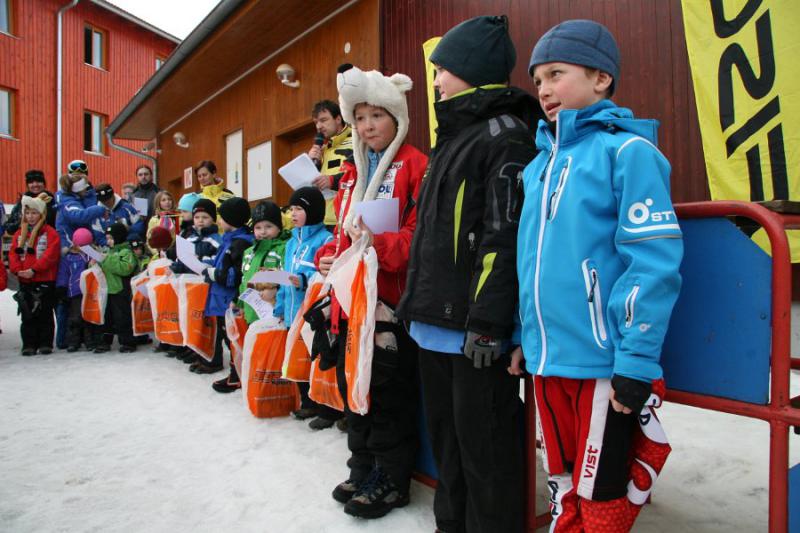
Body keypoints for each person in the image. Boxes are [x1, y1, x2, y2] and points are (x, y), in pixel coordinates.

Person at [516, 20, 684, 532]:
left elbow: (653, 262)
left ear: (601, 79)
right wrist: (524, 336)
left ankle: (641, 463)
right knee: (561, 481)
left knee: (601, 490)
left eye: (556, 73)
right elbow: (531, 263)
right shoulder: (537, 167)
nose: (543, 88)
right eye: (538, 78)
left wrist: (635, 362)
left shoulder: (628, 154)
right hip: (548, 360)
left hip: (603, 363)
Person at [394, 16, 540, 533]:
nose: (435, 81)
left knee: (487, 454)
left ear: (474, 71)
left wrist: (489, 323)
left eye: (443, 71)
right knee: (449, 448)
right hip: (434, 325)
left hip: (473, 333)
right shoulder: (453, 139)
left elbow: (504, 239)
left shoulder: (506, 138)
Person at [315, 65, 427, 519]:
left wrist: (377, 244)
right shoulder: (350, 172)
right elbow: (342, 234)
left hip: (389, 305)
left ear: (397, 117)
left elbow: (419, 240)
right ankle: (362, 465)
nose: (366, 126)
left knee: (385, 394)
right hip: (349, 303)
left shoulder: (416, 164)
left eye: (376, 116)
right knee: (354, 390)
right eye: (359, 117)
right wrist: (327, 254)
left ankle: (392, 478)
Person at [212, 200, 290, 393]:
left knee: (272, 350)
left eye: (269, 226)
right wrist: (237, 301)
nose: (263, 231)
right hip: (250, 311)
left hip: (273, 312)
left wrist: (275, 293)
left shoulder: (284, 248)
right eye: (258, 227)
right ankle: (251, 380)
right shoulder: (249, 252)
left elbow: (288, 278)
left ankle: (275, 387)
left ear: (278, 227)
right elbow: (243, 280)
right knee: (251, 347)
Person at [273, 187, 332, 424]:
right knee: (298, 358)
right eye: (290, 209)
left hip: (312, 314)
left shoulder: (325, 239)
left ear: (313, 210)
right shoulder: (290, 243)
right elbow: (284, 279)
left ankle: (325, 407)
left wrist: (303, 280)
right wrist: (279, 307)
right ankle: (307, 403)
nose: (292, 214)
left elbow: (325, 276)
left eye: (299, 209)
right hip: (291, 313)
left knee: (317, 359)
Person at [199, 197, 254, 375]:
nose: (219, 221)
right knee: (226, 337)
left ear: (231, 219)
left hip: (229, 299)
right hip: (220, 297)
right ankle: (235, 371)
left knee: (233, 338)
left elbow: (235, 275)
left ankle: (237, 374)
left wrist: (215, 274)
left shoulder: (241, 243)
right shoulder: (229, 240)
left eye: (221, 217)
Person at [169, 199, 223, 365]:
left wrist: (202, 264)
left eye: (205, 217)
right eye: (197, 216)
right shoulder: (190, 237)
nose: (200, 220)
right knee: (193, 319)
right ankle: (196, 350)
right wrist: (175, 267)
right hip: (191, 286)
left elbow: (215, 261)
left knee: (207, 323)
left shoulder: (215, 239)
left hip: (206, 285)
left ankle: (211, 357)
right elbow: (183, 258)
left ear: (213, 219)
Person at [9, 193, 60, 355]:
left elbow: (50, 255)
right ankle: (29, 344)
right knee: (27, 314)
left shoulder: (50, 233)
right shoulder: (19, 234)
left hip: (44, 279)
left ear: (42, 214)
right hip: (25, 279)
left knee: (45, 313)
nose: (31, 217)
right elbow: (13, 254)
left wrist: (34, 269)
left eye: (34, 213)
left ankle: (45, 343)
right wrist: (18, 270)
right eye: (28, 213)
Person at [92, 223, 137, 353]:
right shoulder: (107, 252)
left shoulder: (126, 252)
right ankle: (105, 341)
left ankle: (128, 341)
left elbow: (124, 269)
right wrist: (94, 263)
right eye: (107, 238)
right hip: (107, 290)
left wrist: (106, 259)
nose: (108, 241)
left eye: (111, 238)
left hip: (120, 290)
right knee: (107, 318)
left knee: (123, 317)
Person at [308, 100, 353, 227]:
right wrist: (312, 163)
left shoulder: (356, 141)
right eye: (316, 122)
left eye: (323, 120)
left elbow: (361, 174)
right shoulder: (323, 148)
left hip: (349, 217)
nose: (319, 126)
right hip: (326, 219)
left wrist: (332, 180)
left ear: (338, 119)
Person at [56, 228, 93, 352]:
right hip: (74, 292)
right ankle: (73, 341)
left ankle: (89, 340)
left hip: (88, 292)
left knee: (88, 317)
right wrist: (62, 288)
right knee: (74, 318)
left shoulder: (89, 257)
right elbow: (63, 274)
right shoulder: (68, 258)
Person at [55, 167, 106, 253]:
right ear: (79, 189)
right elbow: (79, 216)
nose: (86, 190)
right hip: (69, 244)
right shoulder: (69, 203)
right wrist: (100, 209)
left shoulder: (75, 199)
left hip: (79, 242)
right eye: (85, 188)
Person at [6, 169, 57, 236]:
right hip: (25, 241)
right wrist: (22, 223)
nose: (35, 184)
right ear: (27, 185)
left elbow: (59, 225)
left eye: (39, 181)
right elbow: (9, 228)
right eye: (31, 182)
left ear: (44, 184)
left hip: (48, 240)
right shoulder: (22, 202)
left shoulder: (52, 201)